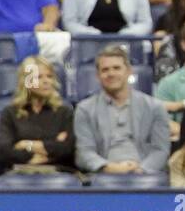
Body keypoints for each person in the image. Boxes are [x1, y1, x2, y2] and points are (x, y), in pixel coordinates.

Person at [73, 45, 172, 177]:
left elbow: (161, 150)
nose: (111, 74)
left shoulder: (154, 107)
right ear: (98, 75)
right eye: (105, 70)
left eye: (117, 68)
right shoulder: (84, 109)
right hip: (103, 174)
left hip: (146, 174)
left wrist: (141, 169)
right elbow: (84, 153)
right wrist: (109, 167)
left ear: (128, 71)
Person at [0, 56, 77, 175]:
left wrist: (25, 144)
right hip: (19, 173)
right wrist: (48, 149)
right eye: (39, 77)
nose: (47, 81)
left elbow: (67, 149)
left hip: (59, 173)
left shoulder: (65, 112)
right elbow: (4, 151)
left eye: (49, 76)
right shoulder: (10, 113)